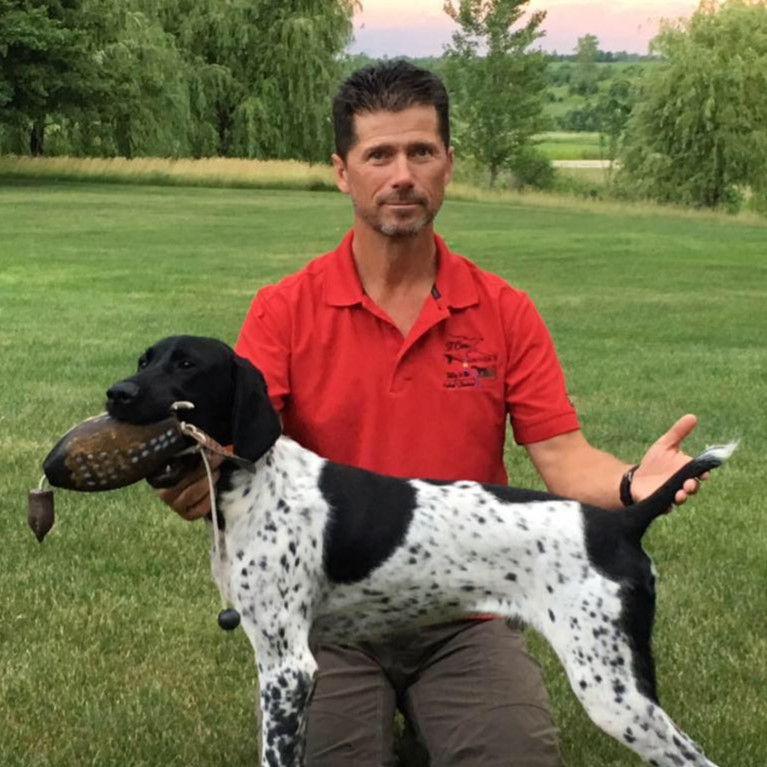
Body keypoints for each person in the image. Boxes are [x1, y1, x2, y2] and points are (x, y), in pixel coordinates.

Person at [159, 61, 707, 767]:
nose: (402, 175)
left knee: (511, 758)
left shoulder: (502, 309)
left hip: (465, 615)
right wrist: (195, 478)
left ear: (447, 163)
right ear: (342, 171)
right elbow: (242, 447)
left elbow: (563, 458)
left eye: (420, 151)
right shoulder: (283, 309)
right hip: (331, 617)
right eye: (378, 155)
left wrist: (634, 485)